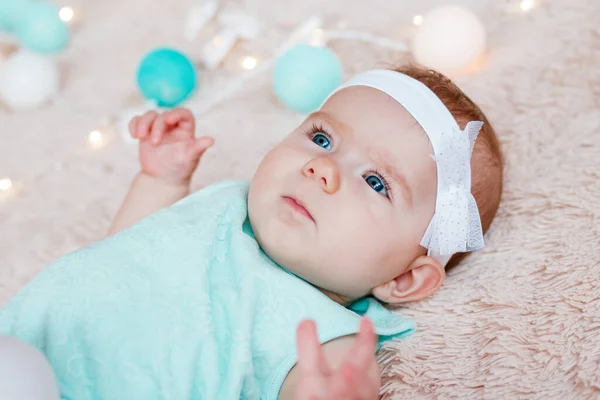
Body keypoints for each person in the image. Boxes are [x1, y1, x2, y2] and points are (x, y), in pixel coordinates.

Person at [0, 64, 503, 400]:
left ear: (404, 280)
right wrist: (159, 180)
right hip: (25, 336)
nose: (322, 169)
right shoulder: (225, 202)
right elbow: (126, 250)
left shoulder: (323, 331)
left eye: (375, 182)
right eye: (322, 138)